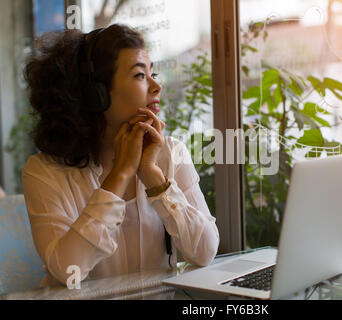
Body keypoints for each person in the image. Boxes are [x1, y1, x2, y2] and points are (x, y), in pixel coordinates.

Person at [22, 24, 219, 287]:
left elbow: (205, 252)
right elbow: (68, 271)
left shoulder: (170, 154)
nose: (156, 86)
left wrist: (155, 179)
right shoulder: (43, 172)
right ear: (97, 95)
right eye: (140, 75)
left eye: (153, 74)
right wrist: (120, 175)